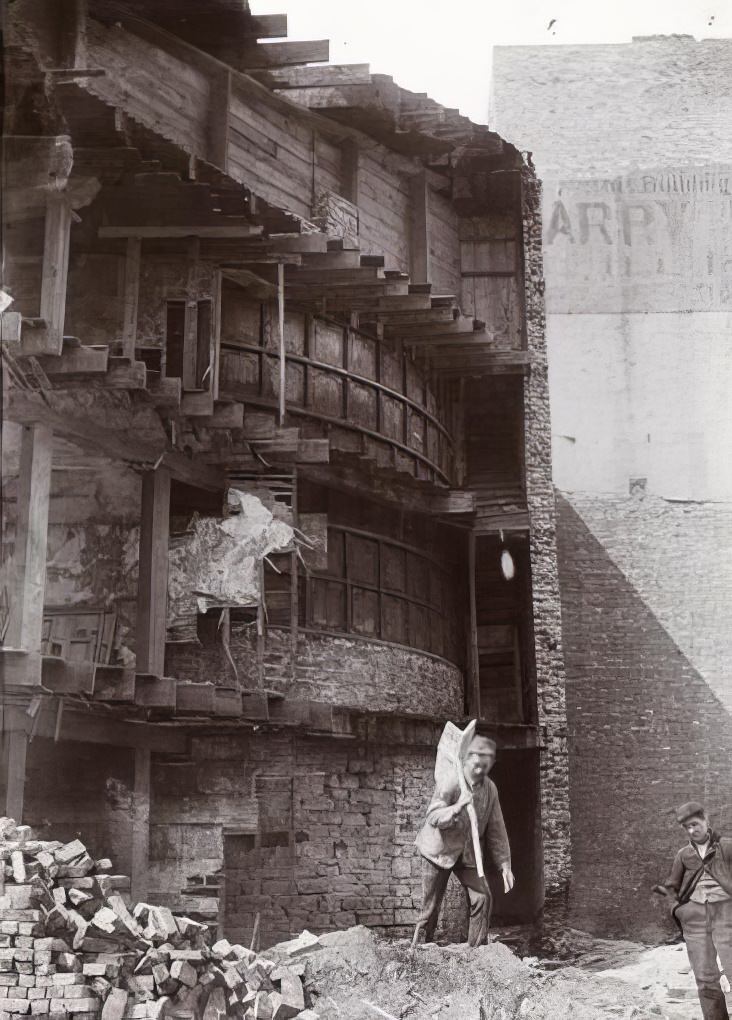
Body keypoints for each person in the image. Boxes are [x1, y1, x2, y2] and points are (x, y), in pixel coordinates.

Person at [414, 731, 514, 947]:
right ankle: (419, 951)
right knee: (429, 908)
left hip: (468, 852)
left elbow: (497, 829)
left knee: (482, 897)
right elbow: (433, 816)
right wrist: (457, 808)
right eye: (476, 761)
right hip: (438, 850)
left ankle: (477, 952)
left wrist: (505, 864)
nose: (480, 768)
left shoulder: (490, 789)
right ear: (468, 759)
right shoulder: (451, 782)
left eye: (486, 763)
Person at [658, 801, 732, 1020]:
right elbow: (672, 886)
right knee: (705, 978)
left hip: (727, 915)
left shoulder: (727, 846)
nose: (692, 830)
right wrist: (679, 910)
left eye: (695, 824)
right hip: (695, 919)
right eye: (687, 827)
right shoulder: (683, 855)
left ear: (706, 819)